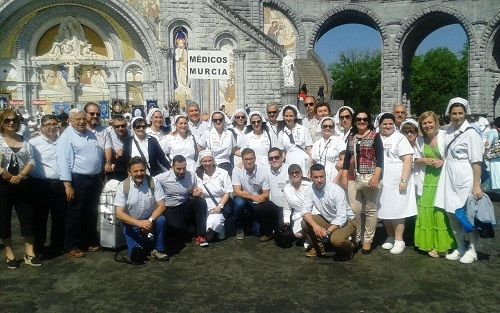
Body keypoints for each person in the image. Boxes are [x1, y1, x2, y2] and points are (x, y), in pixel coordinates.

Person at [435, 97, 484, 264]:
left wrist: (476, 185)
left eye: (460, 113)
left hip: (465, 176)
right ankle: (460, 246)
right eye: (454, 113)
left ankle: (473, 249)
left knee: (467, 215)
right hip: (448, 175)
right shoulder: (447, 131)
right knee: (451, 214)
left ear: (465, 114)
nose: (457, 116)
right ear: (449, 113)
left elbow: (476, 161)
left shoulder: (471, 133)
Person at [56, 108, 102, 258]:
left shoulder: (90, 133)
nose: (82, 122)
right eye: (78, 119)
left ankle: (88, 240)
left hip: (94, 179)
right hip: (78, 179)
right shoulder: (66, 137)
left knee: (91, 212)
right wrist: (67, 185)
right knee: (75, 214)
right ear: (70, 121)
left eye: (83, 118)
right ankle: (72, 245)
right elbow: (64, 161)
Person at [413, 111, 456, 258]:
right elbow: (415, 160)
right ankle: (428, 244)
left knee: (439, 211)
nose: (427, 125)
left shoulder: (444, 136)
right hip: (426, 180)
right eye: (424, 123)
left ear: (436, 122)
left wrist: (442, 161)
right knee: (425, 211)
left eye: (430, 122)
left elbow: (452, 157)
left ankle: (442, 246)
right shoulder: (420, 140)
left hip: (442, 179)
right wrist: (424, 160)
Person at [0, 109, 39, 268]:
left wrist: (21, 175)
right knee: (3, 218)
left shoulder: (24, 140)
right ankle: (9, 254)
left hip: (23, 183)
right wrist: (8, 175)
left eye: (14, 120)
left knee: (28, 217)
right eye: (7, 120)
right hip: (3, 184)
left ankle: (29, 253)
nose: (11, 123)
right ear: (2, 122)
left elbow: (32, 161)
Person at [341, 110, 383, 254]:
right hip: (353, 177)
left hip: (370, 176)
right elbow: (347, 158)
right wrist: (344, 175)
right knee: (355, 209)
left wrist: (376, 176)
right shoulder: (352, 136)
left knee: (370, 209)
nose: (362, 121)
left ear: (369, 121)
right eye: (359, 119)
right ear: (355, 121)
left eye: (365, 119)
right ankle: (357, 237)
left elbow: (380, 159)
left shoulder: (375, 136)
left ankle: (367, 240)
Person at [114, 157, 168, 262]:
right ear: (129, 172)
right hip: (132, 224)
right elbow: (119, 213)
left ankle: (158, 249)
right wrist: (139, 223)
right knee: (137, 257)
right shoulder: (123, 186)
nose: (139, 173)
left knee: (161, 220)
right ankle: (142, 246)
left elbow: (162, 205)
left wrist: (149, 222)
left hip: (150, 220)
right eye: (136, 171)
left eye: (142, 170)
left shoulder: (153, 182)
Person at [377, 113, 417, 255]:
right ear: (379, 125)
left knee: (398, 211)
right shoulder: (377, 137)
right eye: (385, 124)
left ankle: (399, 240)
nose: (388, 126)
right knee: (385, 209)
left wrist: (404, 180)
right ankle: (390, 236)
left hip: (397, 180)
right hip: (382, 180)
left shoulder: (400, 138)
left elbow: (407, 159)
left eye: (390, 124)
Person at [301, 163, 357, 260]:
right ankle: (319, 249)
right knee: (305, 222)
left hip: (348, 221)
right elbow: (305, 211)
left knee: (336, 240)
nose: (319, 180)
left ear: (325, 175)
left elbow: (342, 217)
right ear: (311, 177)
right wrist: (315, 226)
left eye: (322, 176)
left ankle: (349, 248)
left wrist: (327, 232)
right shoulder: (310, 189)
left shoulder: (336, 190)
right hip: (329, 220)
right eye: (316, 177)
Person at [29, 115, 67, 257]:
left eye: (54, 124)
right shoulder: (33, 143)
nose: (52, 127)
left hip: (59, 184)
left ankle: (56, 246)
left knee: (59, 217)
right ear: (42, 127)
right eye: (48, 124)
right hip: (40, 185)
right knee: (40, 218)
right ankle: (38, 248)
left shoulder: (63, 142)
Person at [155, 155, 208, 246]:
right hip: (170, 208)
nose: (182, 171)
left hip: (185, 204)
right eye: (178, 169)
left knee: (201, 202)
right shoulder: (163, 177)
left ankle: (201, 235)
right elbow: (150, 181)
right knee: (178, 232)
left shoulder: (191, 175)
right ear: (172, 167)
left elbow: (192, 190)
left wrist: (194, 192)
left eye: (184, 168)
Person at [231, 148, 273, 241]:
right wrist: (251, 196)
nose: (249, 161)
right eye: (246, 159)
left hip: (256, 201)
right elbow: (236, 191)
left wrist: (258, 197)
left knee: (258, 232)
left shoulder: (263, 171)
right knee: (239, 203)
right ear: (242, 160)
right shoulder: (237, 170)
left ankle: (251, 222)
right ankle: (239, 227)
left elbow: (266, 193)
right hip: (243, 198)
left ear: (255, 159)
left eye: (251, 158)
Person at [195, 150, 233, 242]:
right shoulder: (198, 175)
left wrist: (220, 206)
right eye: (205, 161)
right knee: (205, 224)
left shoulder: (223, 173)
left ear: (213, 161)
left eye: (209, 161)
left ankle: (208, 237)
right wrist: (196, 192)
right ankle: (217, 230)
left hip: (220, 203)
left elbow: (228, 192)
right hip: (204, 205)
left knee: (214, 221)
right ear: (201, 162)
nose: (207, 163)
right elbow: (194, 190)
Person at [198, 111, 239, 175]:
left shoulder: (229, 134)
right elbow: (199, 149)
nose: (218, 121)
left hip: (226, 164)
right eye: (215, 120)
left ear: (224, 120)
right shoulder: (207, 133)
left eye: (220, 119)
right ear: (212, 121)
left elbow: (234, 150)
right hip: (211, 165)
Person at [277, 104, 313, 175]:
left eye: (291, 116)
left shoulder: (303, 129)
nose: (288, 118)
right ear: (283, 117)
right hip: (290, 159)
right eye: (286, 116)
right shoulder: (281, 133)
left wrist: (312, 161)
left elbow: (309, 147)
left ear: (295, 116)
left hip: (303, 159)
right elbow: (283, 152)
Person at [312, 117, 346, 183]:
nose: (327, 128)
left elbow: (343, 162)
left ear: (334, 128)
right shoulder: (316, 143)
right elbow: (314, 162)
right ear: (321, 127)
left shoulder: (338, 141)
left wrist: (337, 178)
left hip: (333, 173)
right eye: (325, 126)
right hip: (318, 175)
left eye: (330, 126)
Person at [283, 164, 311, 240]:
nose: (294, 175)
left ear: (301, 173)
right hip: (298, 214)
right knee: (298, 235)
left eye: (297, 172)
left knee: (309, 226)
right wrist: (286, 221)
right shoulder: (286, 189)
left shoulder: (309, 185)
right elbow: (286, 208)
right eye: (292, 173)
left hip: (312, 212)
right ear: (289, 175)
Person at [84, 102, 113, 174]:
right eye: (92, 113)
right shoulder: (80, 130)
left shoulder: (103, 131)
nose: (95, 116)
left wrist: (108, 162)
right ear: (85, 114)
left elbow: (108, 148)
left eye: (98, 114)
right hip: (83, 172)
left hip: (99, 171)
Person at [266, 147, 288, 237]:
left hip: (287, 208)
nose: (274, 160)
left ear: (282, 157)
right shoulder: (266, 170)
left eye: (276, 157)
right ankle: (269, 231)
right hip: (273, 206)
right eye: (271, 158)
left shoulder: (289, 170)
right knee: (259, 208)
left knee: (284, 233)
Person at [486, 117, 500, 190]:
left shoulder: (493, 131)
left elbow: (488, 144)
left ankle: (496, 191)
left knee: (495, 174)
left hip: (495, 157)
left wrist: (485, 152)